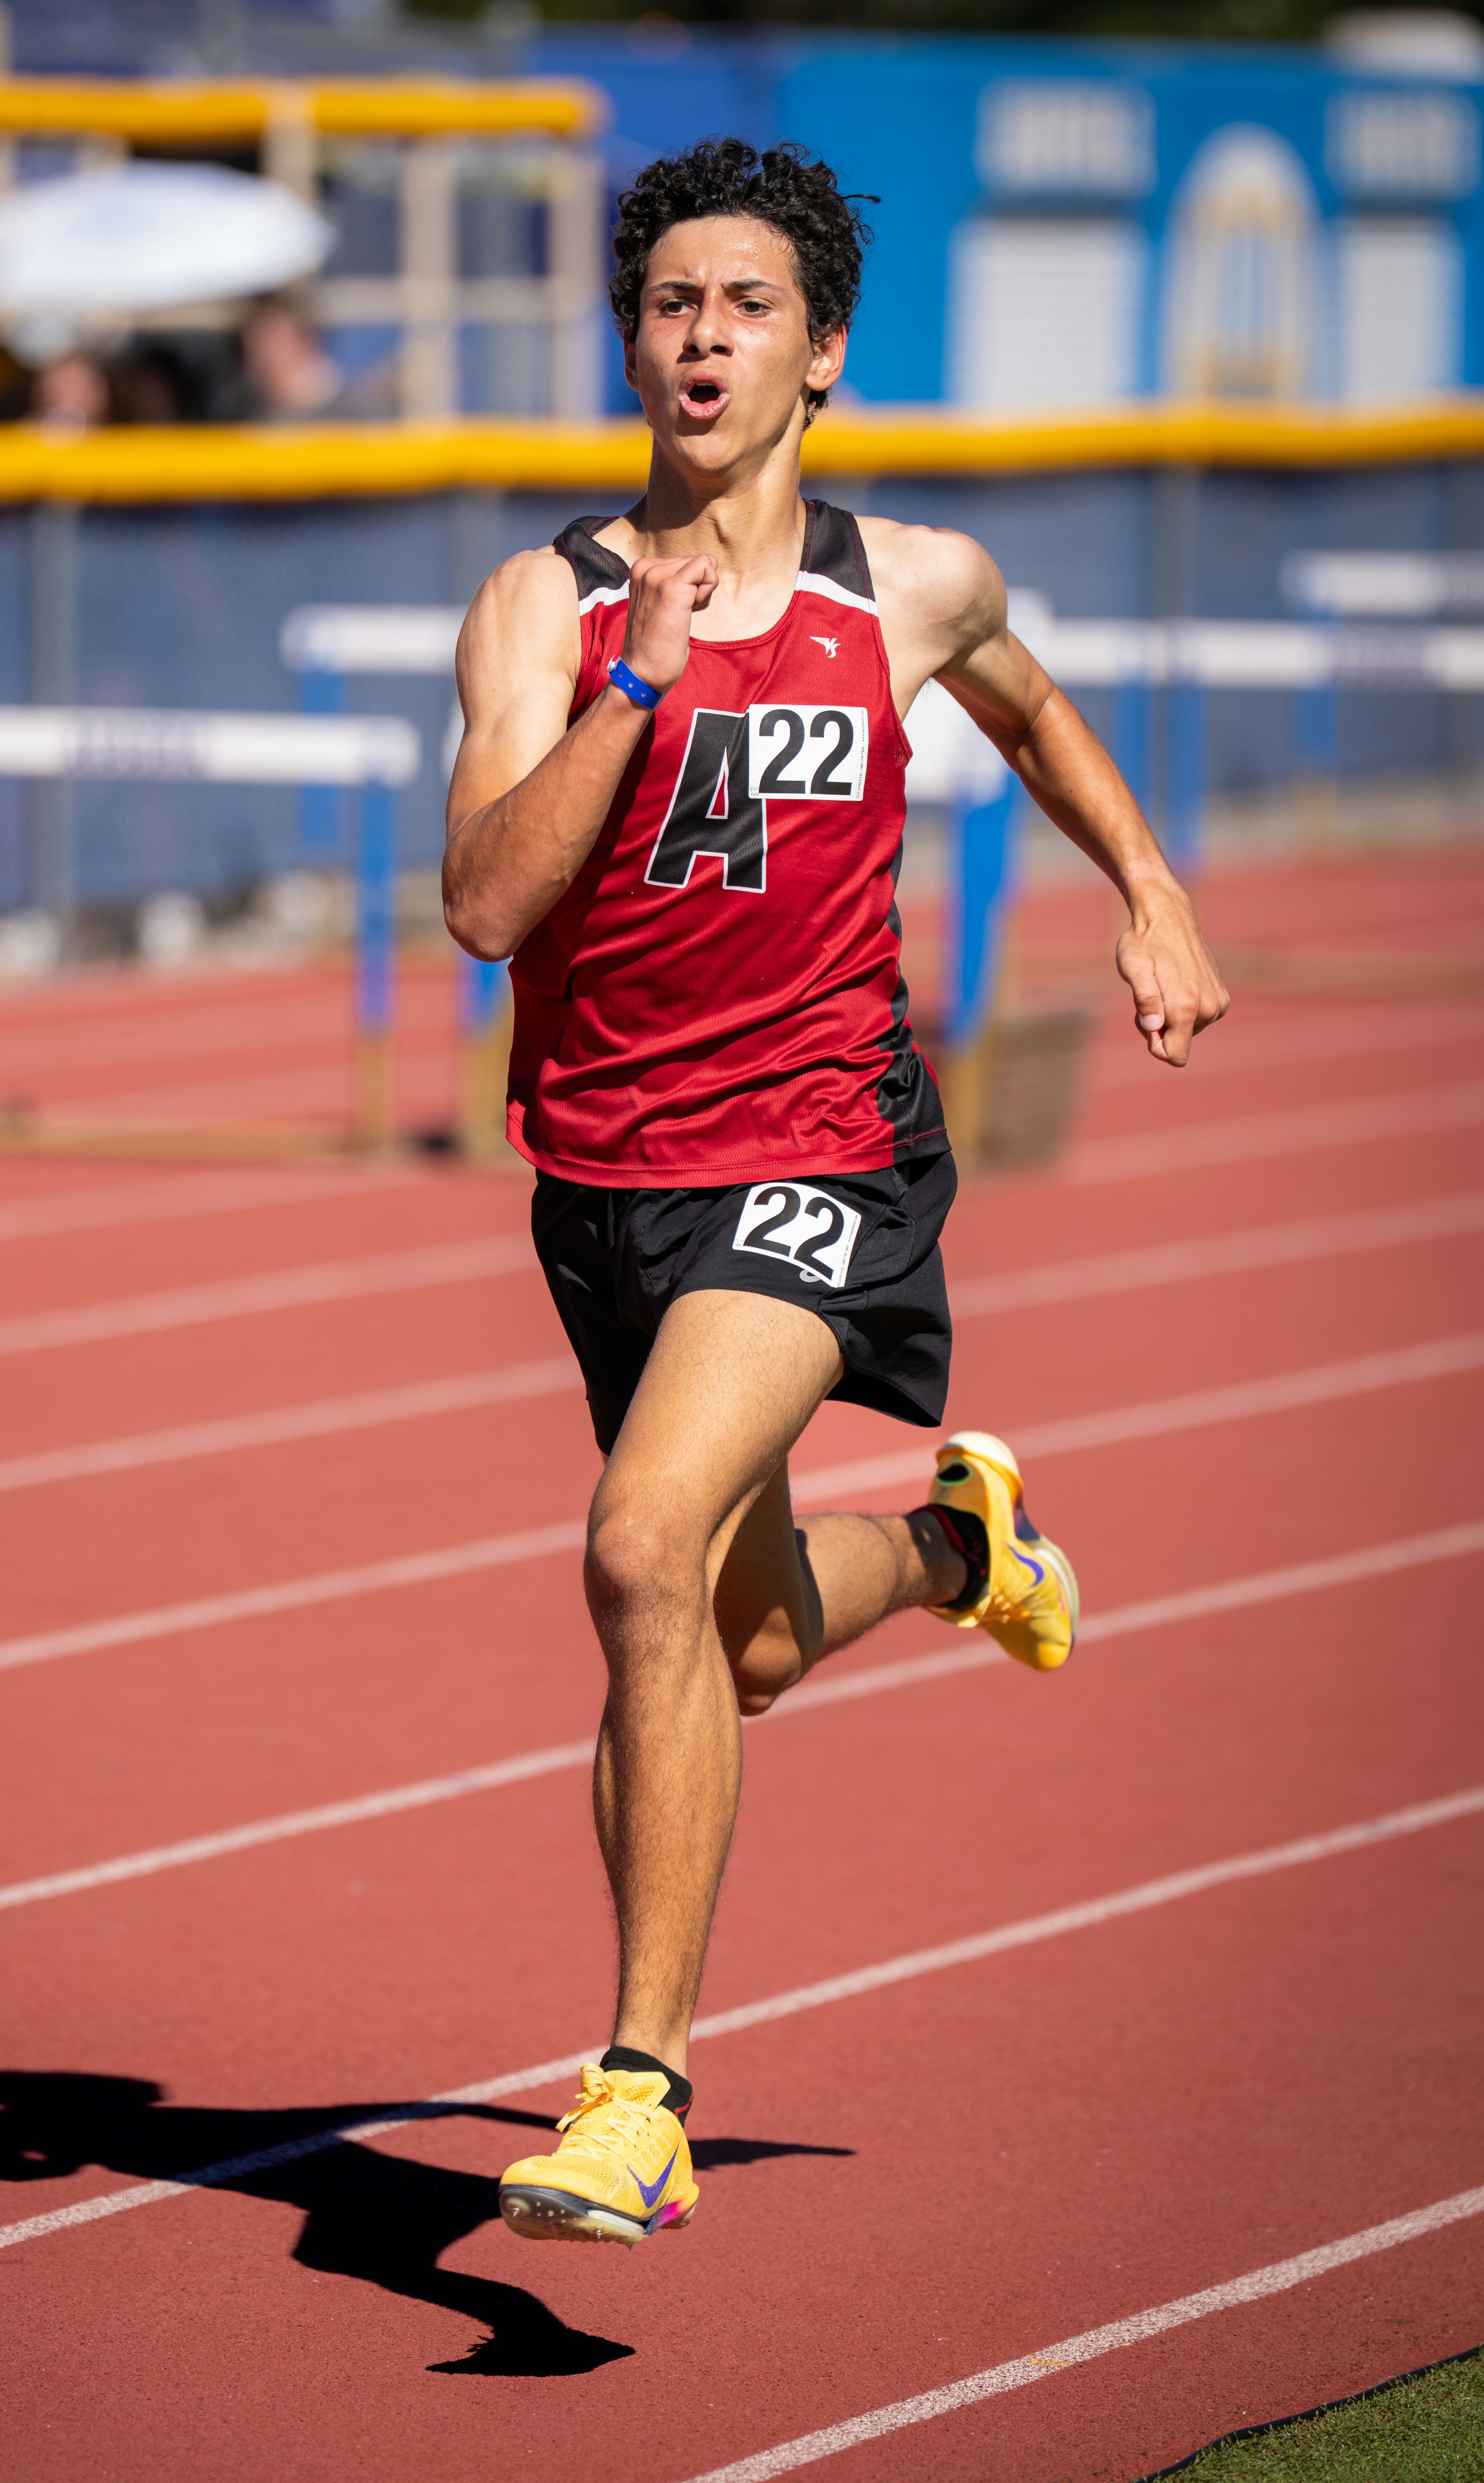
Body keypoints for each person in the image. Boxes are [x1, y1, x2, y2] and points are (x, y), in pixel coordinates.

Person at [443, 138, 1227, 2251]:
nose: (699, 335)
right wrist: (631, 685)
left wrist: (1145, 887)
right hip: (603, 1178)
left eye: (744, 306)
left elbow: (1032, 705)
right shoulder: (547, 603)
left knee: (632, 1554)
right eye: (668, 302)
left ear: (820, 357)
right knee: (748, 1632)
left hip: (820, 1150)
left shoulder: (912, 585)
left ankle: (635, 2089)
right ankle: (963, 1544)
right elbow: (485, 905)